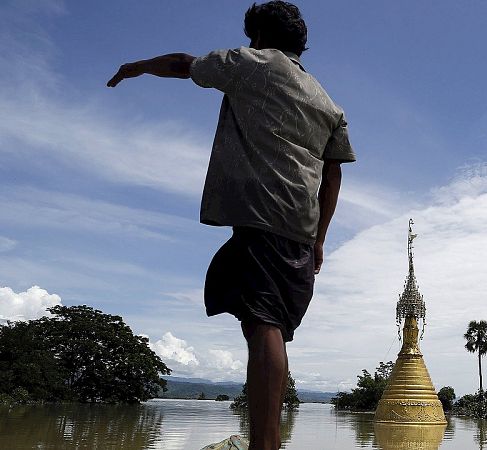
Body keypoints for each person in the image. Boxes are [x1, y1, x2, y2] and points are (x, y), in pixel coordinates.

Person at [107, 2, 355, 449]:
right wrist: (320, 240)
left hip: (262, 214)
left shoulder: (252, 63)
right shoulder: (328, 103)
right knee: (270, 324)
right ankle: (269, 439)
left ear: (257, 36)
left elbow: (183, 64)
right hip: (300, 229)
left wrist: (137, 67)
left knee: (264, 324)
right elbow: (333, 173)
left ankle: (265, 444)